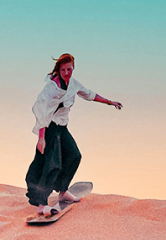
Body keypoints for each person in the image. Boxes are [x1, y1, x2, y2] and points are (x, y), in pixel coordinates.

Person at [25, 53, 122, 217]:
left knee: (74, 156)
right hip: (49, 128)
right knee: (52, 164)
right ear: (59, 70)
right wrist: (41, 138)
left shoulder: (73, 84)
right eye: (63, 69)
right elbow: (43, 113)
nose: (66, 72)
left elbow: (89, 94)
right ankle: (41, 205)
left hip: (62, 127)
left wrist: (110, 102)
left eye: (69, 69)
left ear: (73, 68)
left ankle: (63, 192)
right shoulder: (51, 88)